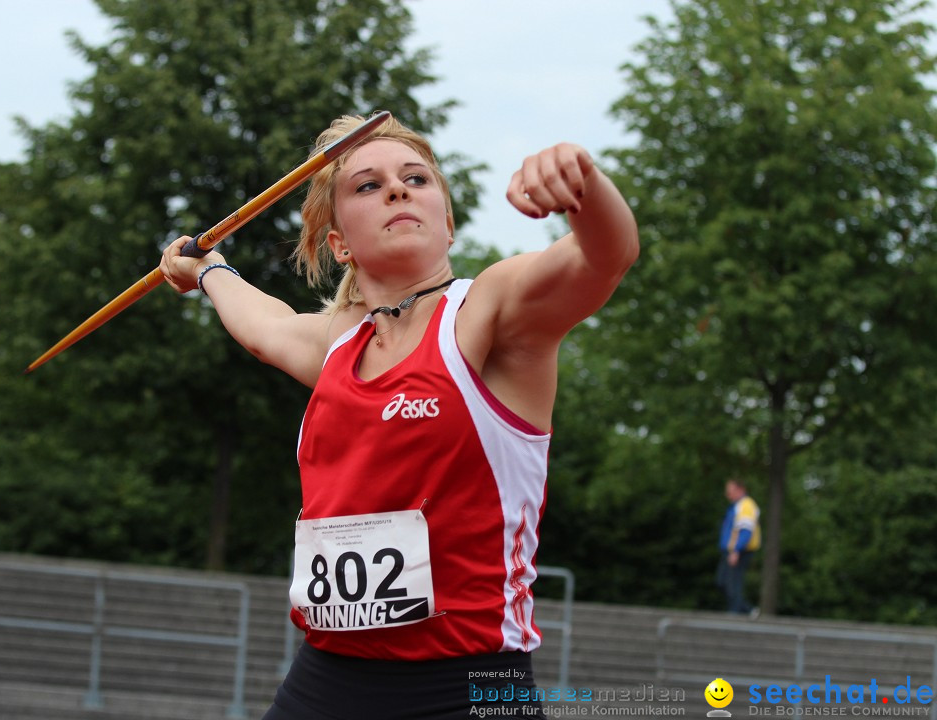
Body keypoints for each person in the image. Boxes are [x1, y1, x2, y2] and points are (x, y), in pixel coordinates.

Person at [159, 113, 639, 720]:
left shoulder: (488, 312)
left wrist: (583, 187)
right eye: (367, 185)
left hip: (464, 688)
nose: (397, 189)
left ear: (449, 224)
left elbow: (607, 255)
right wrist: (207, 269)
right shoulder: (338, 343)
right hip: (324, 681)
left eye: (416, 178)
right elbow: (269, 326)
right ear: (340, 244)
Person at [716, 478, 761, 616]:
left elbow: (746, 531)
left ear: (741, 490)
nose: (728, 494)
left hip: (739, 551)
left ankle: (735, 614)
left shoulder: (746, 506)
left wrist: (736, 550)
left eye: (730, 491)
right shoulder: (736, 506)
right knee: (722, 582)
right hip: (731, 550)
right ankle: (747, 610)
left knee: (732, 584)